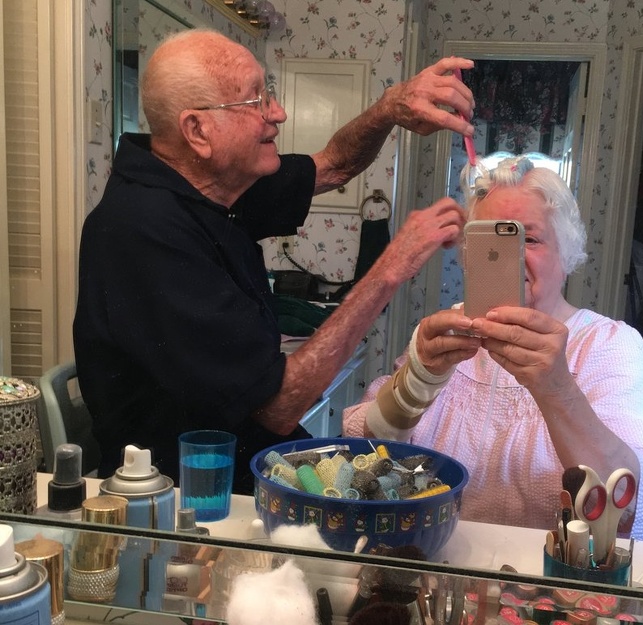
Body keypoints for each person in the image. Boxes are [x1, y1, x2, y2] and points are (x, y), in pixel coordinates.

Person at [73, 29, 474, 492]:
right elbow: (280, 406)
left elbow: (334, 165)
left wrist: (388, 109)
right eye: (256, 100)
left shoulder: (214, 183)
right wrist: (391, 266)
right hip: (187, 495)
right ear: (197, 130)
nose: (277, 113)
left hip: (242, 460)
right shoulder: (144, 231)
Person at [343, 154, 643, 540]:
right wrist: (416, 383)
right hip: (435, 563)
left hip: (555, 580)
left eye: (529, 239)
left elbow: (631, 506)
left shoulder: (609, 346)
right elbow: (364, 461)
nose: (509, 257)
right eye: (488, 239)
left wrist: (558, 390)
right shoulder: (445, 335)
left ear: (567, 254)